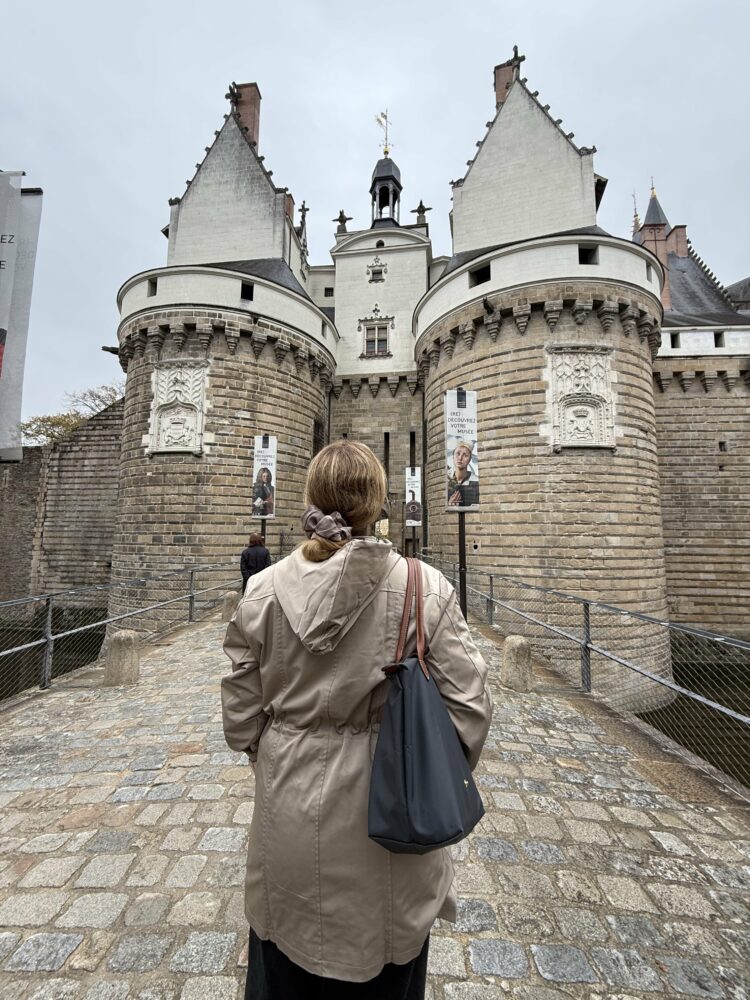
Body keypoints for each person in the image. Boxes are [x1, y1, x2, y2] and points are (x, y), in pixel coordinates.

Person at [222, 439, 492, 999]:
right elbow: (470, 714)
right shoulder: (425, 588)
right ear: (379, 502)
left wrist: (279, 754)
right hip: (392, 827)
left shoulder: (262, 591)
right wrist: (420, 768)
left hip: (290, 822)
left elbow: (239, 722)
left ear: (310, 498)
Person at [447, 440, 479, 507]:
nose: (460, 458)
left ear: (470, 459)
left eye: (465, 455)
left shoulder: (476, 481)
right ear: (453, 456)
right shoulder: (446, 480)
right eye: (458, 453)